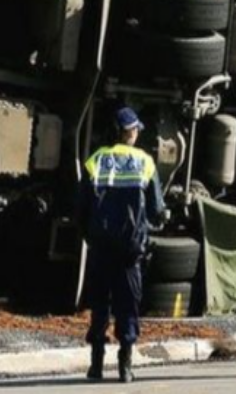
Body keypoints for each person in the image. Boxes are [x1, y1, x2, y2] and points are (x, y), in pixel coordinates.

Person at [78, 106, 165, 383]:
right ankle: (125, 367)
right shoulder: (145, 163)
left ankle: (96, 365)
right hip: (130, 252)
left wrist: (90, 236)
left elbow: (80, 208)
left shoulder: (95, 161)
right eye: (136, 129)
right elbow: (156, 210)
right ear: (129, 133)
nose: (138, 132)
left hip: (101, 249)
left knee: (99, 305)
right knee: (128, 307)